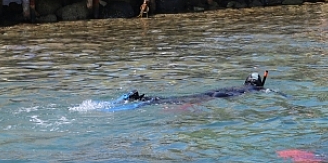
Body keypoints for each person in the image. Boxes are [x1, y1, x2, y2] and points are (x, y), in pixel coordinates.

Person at [105, 71, 270, 111]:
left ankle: (144, 98)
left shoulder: (241, 86)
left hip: (213, 92)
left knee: (180, 98)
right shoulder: (256, 89)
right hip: (219, 96)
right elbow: (274, 93)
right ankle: (147, 100)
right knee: (180, 101)